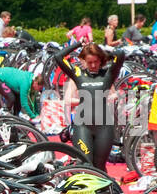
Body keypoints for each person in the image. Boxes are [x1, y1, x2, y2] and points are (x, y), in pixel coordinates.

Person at [52, 41, 127, 175]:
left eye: (96, 61)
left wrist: (103, 51)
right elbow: (58, 57)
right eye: (89, 62)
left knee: (99, 167)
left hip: (104, 127)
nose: (93, 65)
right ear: (84, 61)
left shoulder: (108, 74)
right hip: (82, 126)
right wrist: (78, 44)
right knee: (86, 165)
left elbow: (120, 54)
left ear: (101, 60)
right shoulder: (77, 73)